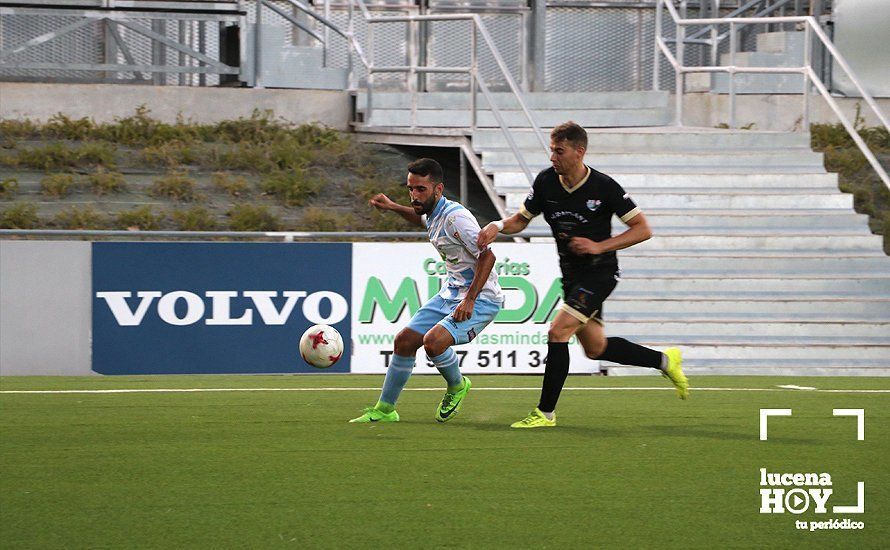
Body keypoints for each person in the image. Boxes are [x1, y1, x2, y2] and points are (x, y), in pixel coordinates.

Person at [476, 121, 688, 429]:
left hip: (600, 274)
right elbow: (522, 219)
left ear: (579, 151)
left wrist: (599, 246)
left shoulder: (604, 187)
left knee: (557, 332)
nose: (553, 158)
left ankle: (545, 413)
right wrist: (497, 225)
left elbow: (643, 229)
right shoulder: (546, 182)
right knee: (595, 348)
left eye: (559, 151)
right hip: (573, 277)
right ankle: (665, 361)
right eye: (551, 151)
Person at [350, 158, 504, 423]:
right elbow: (419, 217)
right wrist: (392, 206)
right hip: (450, 292)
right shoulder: (433, 212)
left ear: (438, 189)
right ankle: (386, 410)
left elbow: (488, 257)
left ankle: (457, 386)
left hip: (481, 299)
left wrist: (469, 300)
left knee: (433, 343)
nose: (414, 195)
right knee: (404, 341)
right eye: (411, 189)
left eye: (421, 189)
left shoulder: (457, 219)